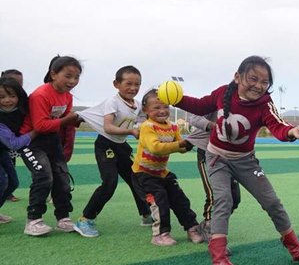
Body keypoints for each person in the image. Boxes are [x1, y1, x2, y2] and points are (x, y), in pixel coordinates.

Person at [177, 55, 299, 265]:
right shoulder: (223, 92)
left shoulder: (264, 103)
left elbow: (277, 126)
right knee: (224, 199)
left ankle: (295, 248)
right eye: (253, 79)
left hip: (245, 160)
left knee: (272, 202)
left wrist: (292, 132)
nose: (259, 86)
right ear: (237, 77)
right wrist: (176, 98)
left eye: (264, 82)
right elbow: (199, 105)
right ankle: (219, 258)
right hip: (216, 158)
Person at [72, 66, 152, 238]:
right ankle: (85, 219)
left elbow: (147, 118)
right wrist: (131, 132)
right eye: (128, 83)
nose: (133, 88)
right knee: (110, 183)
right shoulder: (113, 102)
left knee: (136, 179)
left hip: (121, 146)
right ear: (116, 84)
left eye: (137, 84)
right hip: (105, 144)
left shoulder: (136, 105)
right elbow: (108, 127)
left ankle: (146, 215)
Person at [19, 56, 83, 236]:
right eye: (68, 76)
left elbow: (63, 123)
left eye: (76, 77)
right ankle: (33, 220)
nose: (72, 81)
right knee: (43, 176)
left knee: (62, 178)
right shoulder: (40, 95)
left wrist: (73, 122)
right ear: (53, 74)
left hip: (51, 140)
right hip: (31, 141)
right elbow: (39, 125)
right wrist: (66, 120)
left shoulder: (67, 96)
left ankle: (63, 218)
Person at [131, 89, 203, 246]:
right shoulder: (147, 126)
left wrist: (190, 144)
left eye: (165, 107)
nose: (162, 111)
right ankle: (160, 234)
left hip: (162, 173)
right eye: (156, 108)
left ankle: (192, 228)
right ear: (145, 110)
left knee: (180, 199)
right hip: (144, 174)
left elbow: (181, 148)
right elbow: (155, 148)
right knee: (159, 200)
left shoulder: (173, 127)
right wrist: (180, 145)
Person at [183, 111, 241, 242]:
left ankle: (208, 225)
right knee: (215, 194)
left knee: (234, 198)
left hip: (230, 156)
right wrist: (211, 125)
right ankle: (211, 229)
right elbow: (194, 117)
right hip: (207, 153)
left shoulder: (248, 105)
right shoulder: (219, 100)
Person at [0, 77, 37, 224]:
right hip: (5, 147)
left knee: (13, 182)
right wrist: (36, 131)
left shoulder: (21, 109)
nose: (7, 100)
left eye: (12, 96)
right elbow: (13, 144)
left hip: (1, 151)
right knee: (2, 181)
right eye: (2, 97)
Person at [2, 69, 24, 203]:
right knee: (2, 181)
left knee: (12, 182)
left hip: (5, 149)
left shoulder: (21, 102)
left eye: (19, 84)